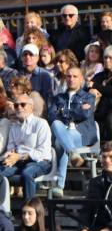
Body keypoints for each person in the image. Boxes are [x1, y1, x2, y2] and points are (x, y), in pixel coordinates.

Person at [59, 141, 112, 231]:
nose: (106, 160)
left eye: (111, 157)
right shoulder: (96, 182)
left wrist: (108, 230)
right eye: (104, 156)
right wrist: (83, 229)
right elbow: (86, 209)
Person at [0, 94, 52, 200]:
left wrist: (20, 156)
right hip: (18, 162)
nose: (19, 108)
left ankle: (30, 207)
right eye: (16, 105)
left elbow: (43, 152)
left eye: (23, 104)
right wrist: (9, 155)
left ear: (31, 107)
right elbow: (11, 148)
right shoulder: (14, 127)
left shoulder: (41, 124)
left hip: (39, 161)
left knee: (27, 173)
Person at [46, 66, 96, 198]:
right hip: (63, 132)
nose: (71, 79)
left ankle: (59, 185)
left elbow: (85, 114)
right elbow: (51, 116)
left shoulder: (89, 97)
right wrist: (77, 111)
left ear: (81, 79)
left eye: (75, 76)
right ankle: (73, 153)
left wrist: (63, 112)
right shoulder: (58, 98)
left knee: (60, 142)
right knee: (56, 124)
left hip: (82, 133)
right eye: (68, 76)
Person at [89, 46, 112, 141]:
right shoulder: (100, 75)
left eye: (110, 58)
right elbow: (89, 86)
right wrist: (92, 89)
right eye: (105, 57)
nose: (107, 60)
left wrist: (96, 86)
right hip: (99, 109)